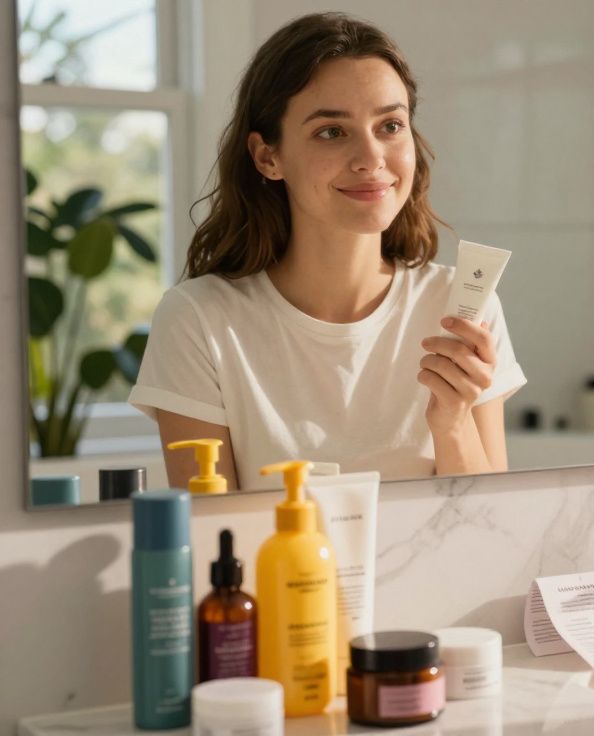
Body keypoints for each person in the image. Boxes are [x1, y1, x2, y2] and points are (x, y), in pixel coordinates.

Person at [131, 13, 525, 489]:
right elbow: (211, 543)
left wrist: (454, 421)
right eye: (332, 132)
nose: (371, 158)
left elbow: (494, 532)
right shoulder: (201, 321)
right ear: (267, 157)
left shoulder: (459, 310)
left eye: (390, 125)